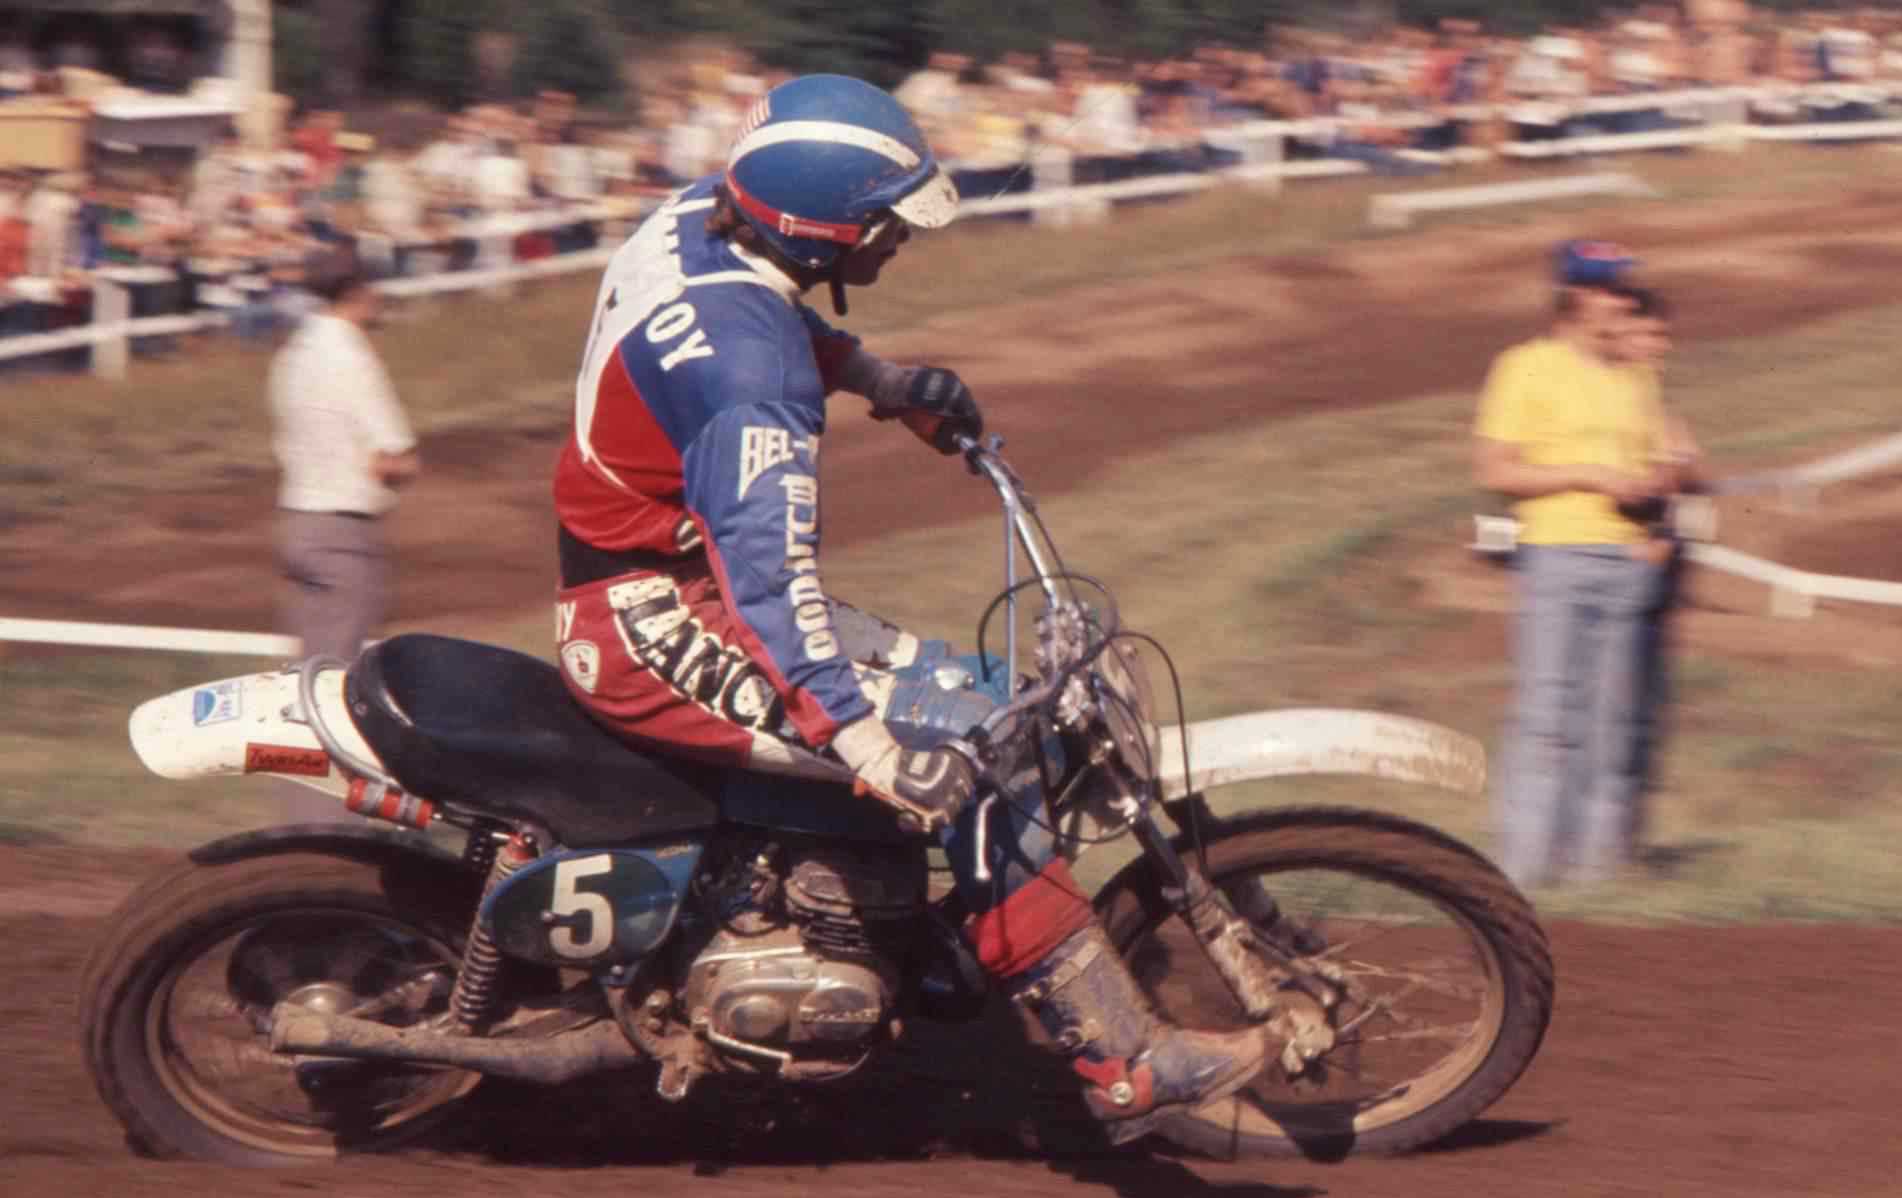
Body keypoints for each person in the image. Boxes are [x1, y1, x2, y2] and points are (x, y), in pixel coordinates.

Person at [550, 73, 1270, 1140]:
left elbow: (751, 312)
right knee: (964, 749)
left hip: (675, 582)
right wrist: (866, 743)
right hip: (651, 619)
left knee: (984, 695)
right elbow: (770, 584)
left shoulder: (700, 217)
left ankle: (920, 942)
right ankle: (1123, 1062)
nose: (898, 243)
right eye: (884, 225)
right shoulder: (754, 388)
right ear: (821, 229)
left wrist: (877, 379)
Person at [1470, 240, 1674, 891]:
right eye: (1612, 291)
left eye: (1624, 291)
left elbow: (1662, 458)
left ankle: (1597, 880)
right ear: (1578, 298)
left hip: (1629, 562)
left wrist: (1655, 497)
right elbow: (1495, 470)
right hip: (1558, 555)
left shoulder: (1634, 375)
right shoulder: (1525, 368)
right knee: (1547, 717)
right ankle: (1524, 874)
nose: (1623, 302)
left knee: (1610, 724)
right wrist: (1588, 474)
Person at [268, 246, 420, 819]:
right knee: (336, 686)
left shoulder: (293, 353)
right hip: (344, 532)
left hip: (298, 522)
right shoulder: (351, 355)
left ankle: (299, 810)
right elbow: (392, 456)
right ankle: (322, 821)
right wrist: (402, 471)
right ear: (358, 291)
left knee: (304, 679)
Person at [1607, 283, 1711, 860]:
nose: (1661, 345)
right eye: (1649, 333)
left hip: (1657, 566)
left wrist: (1674, 469)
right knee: (1616, 710)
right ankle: (1606, 846)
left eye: (1663, 335)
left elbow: (1692, 468)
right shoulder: (1607, 395)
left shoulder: (1648, 394)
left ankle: (1626, 843)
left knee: (1644, 713)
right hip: (1623, 562)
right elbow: (1674, 469)